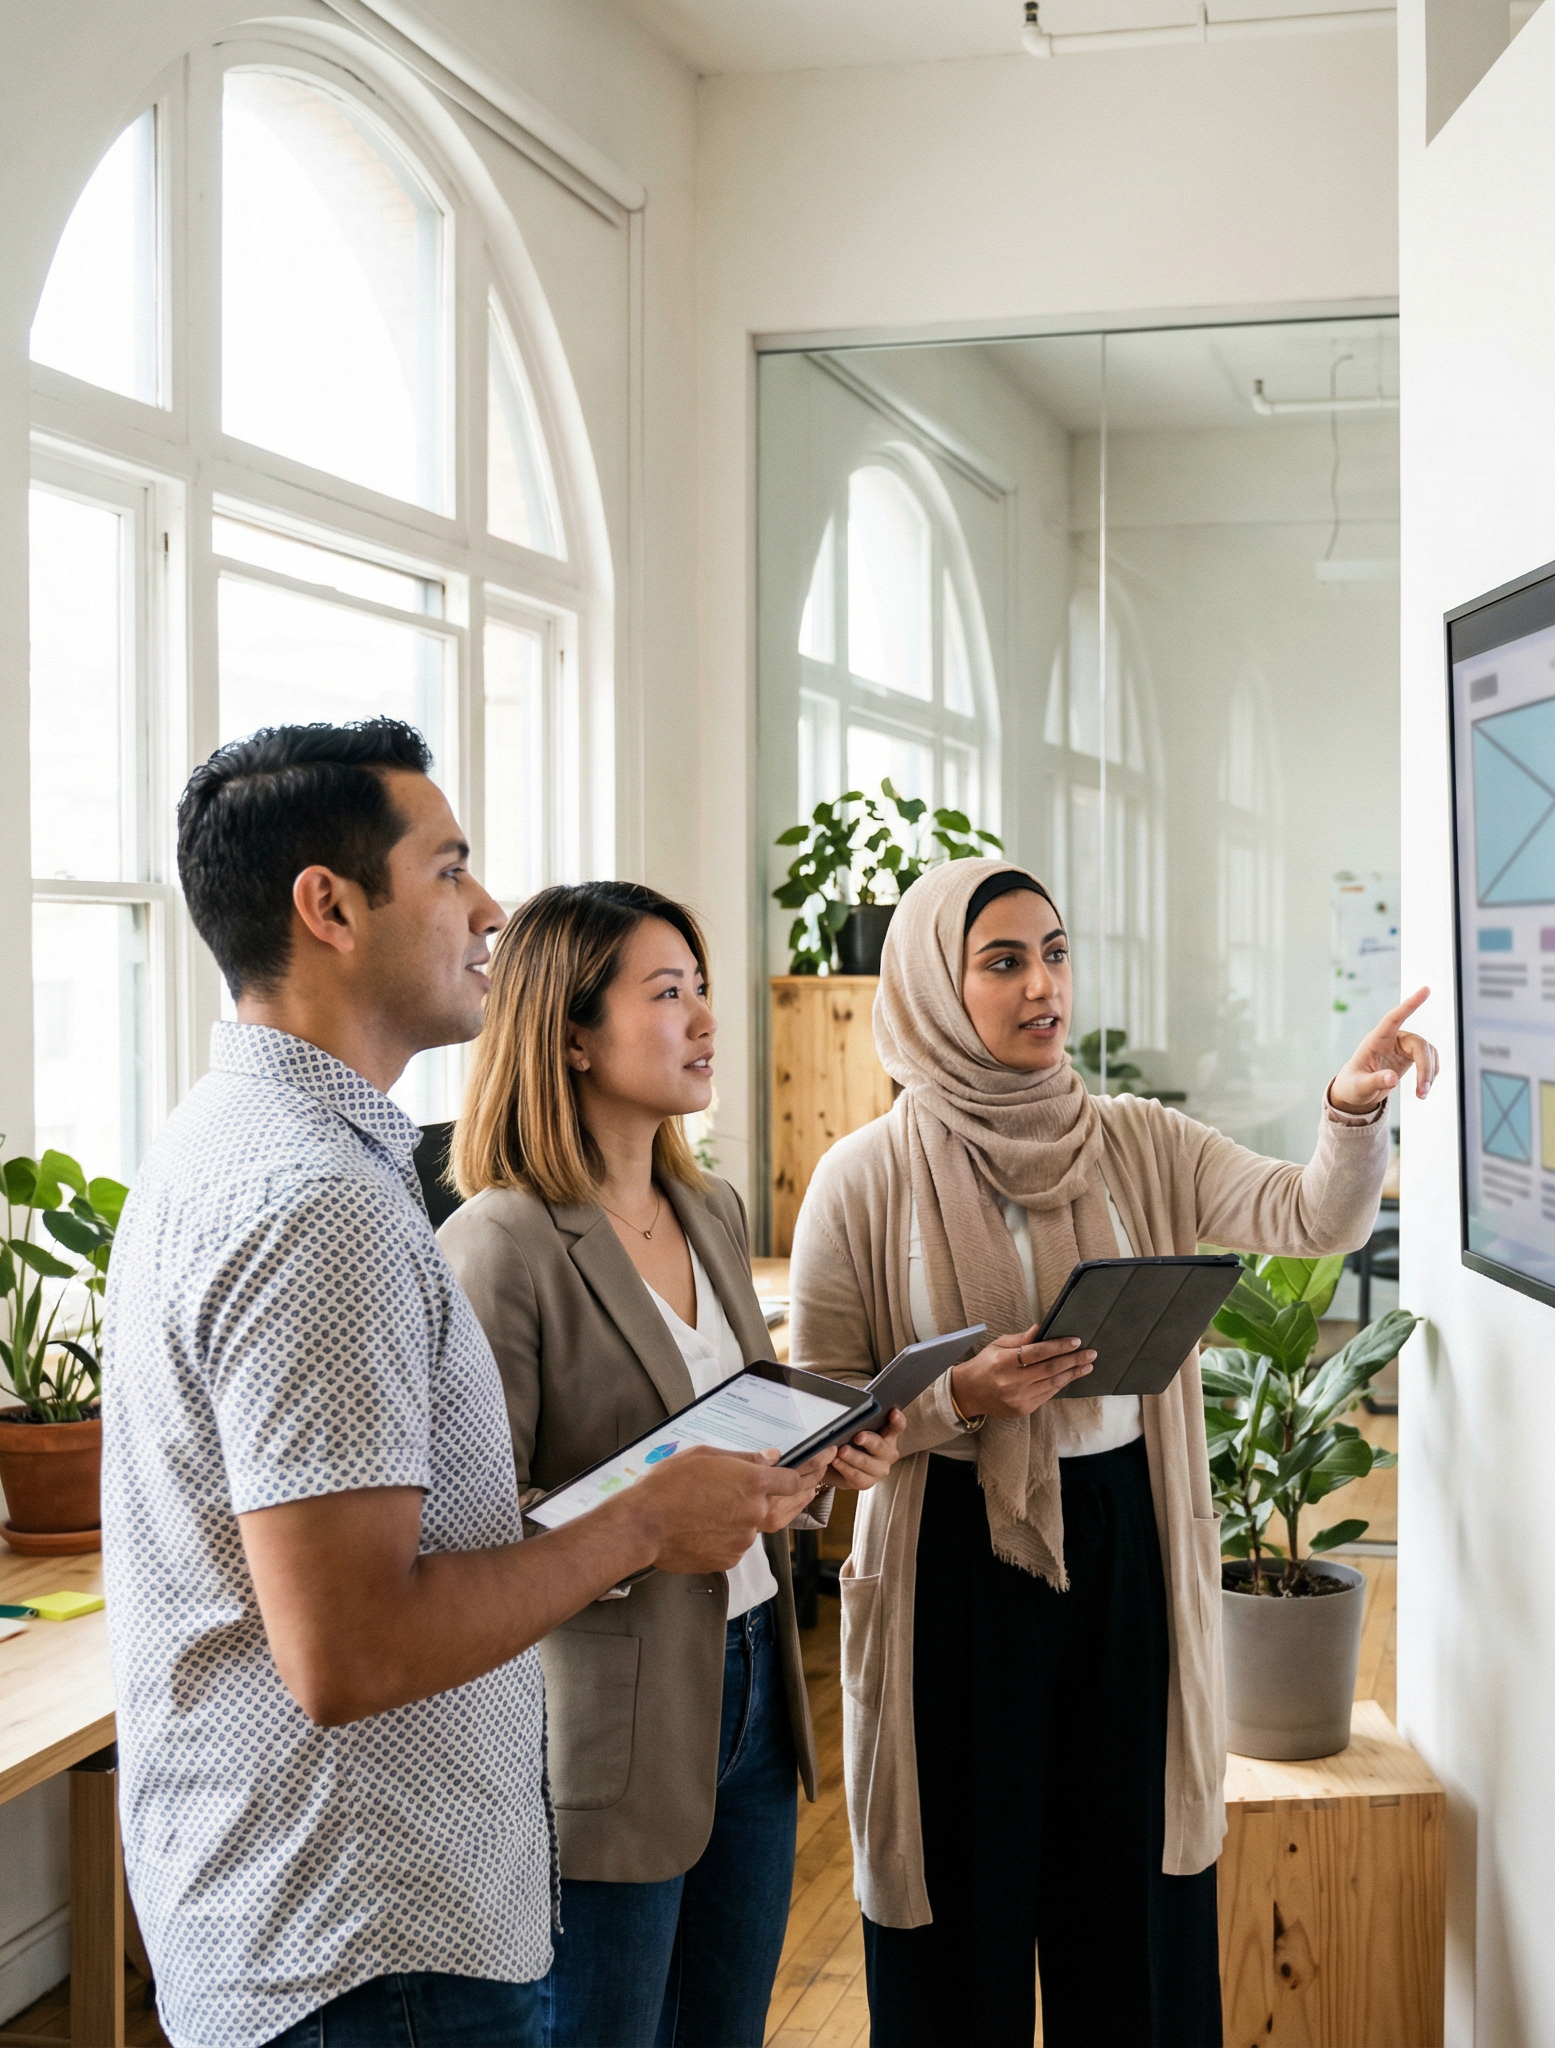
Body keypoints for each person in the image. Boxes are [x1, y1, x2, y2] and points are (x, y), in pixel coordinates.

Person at [102, 721, 822, 2048]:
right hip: (369, 1952)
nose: (492, 909)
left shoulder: (237, 1146)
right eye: (450, 871)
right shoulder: (316, 1201)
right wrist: (651, 1522)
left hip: (336, 1929)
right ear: (329, 907)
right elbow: (353, 1647)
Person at [788, 858, 1436, 2048]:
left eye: (1055, 952)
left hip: (1129, 1543)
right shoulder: (863, 1175)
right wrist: (958, 1400)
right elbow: (820, 1415)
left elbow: (1307, 1216)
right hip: (950, 1564)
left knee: (1131, 1904)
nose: (1043, 985)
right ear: (935, 982)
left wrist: (1350, 1108)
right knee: (959, 1917)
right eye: (1002, 961)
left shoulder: (1134, 1138)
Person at [439, 881, 906, 2048]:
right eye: (668, 992)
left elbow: (730, 1437)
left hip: (751, 1678)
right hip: (609, 1717)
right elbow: (473, 1529)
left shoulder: (706, 1207)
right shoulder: (499, 1241)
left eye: (701, 988)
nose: (705, 1017)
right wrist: (656, 1512)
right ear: (570, 1032)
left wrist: (818, 1458)